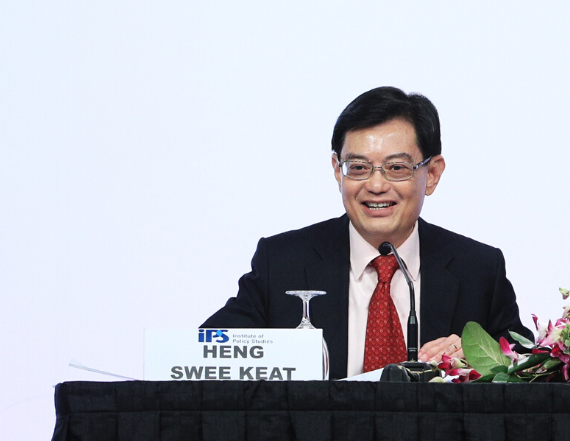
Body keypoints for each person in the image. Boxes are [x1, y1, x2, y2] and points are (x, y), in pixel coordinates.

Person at [203, 86, 531, 379]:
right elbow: (204, 356)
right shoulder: (284, 263)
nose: (375, 185)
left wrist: (481, 359)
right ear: (337, 170)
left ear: (431, 174)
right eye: (358, 168)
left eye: (397, 168)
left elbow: (533, 368)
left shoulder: (477, 269)